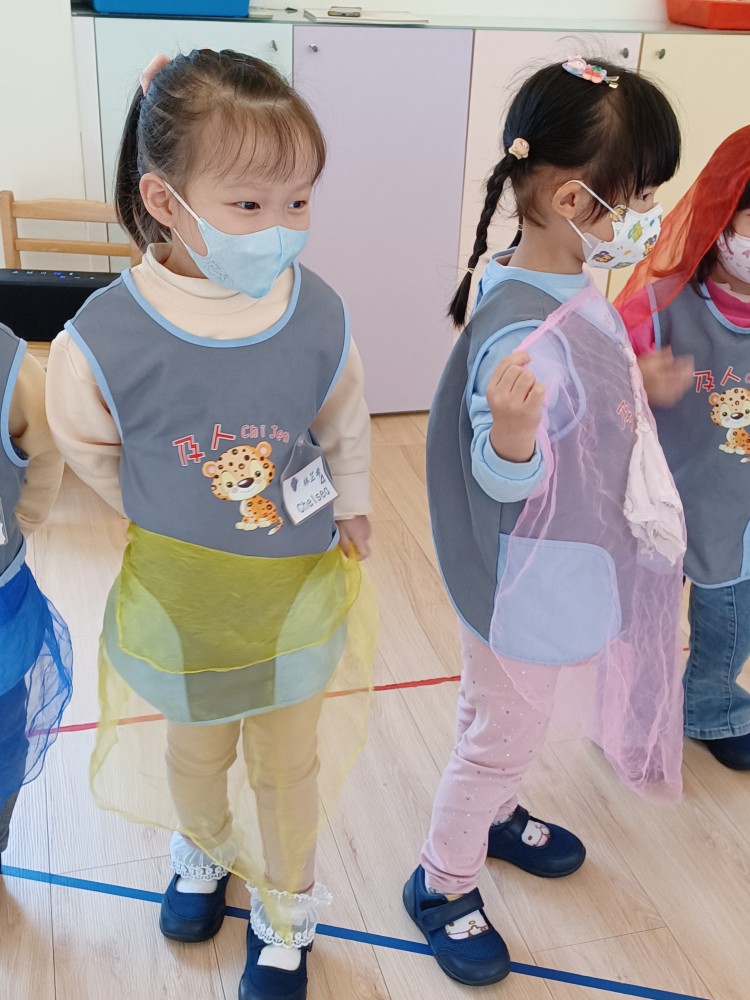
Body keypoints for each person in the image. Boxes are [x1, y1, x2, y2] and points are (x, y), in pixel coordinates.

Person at [45, 49, 375, 1000]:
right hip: (184, 599)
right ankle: (201, 850)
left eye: (299, 202)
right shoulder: (103, 337)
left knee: (287, 764)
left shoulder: (318, 311)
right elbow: (88, 443)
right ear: (164, 199)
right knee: (195, 750)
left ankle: (287, 914)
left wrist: (352, 500)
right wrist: (160, 510)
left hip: (295, 592)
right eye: (249, 204)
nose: (281, 228)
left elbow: (342, 415)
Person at [404, 57, 686, 986]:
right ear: (573, 199)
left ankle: (492, 818)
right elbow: (495, 474)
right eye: (638, 199)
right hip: (523, 577)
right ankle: (442, 883)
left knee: (495, 718)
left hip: (555, 562)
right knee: (500, 738)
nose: (648, 214)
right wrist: (514, 436)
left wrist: (628, 388)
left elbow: (580, 387)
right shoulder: (519, 331)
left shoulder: (554, 281)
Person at [617, 126, 750, 771]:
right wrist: (636, 380)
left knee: (732, 618)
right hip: (658, 505)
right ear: (721, 220)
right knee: (643, 624)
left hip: (736, 510)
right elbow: (596, 388)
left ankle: (714, 707)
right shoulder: (659, 305)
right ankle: (633, 716)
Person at [0, 321, 71, 869]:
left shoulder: (11, 365)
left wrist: (24, 517)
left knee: (4, 732)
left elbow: (45, 447)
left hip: (2, 600)